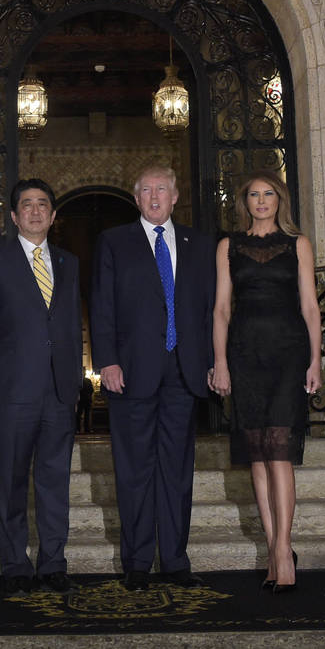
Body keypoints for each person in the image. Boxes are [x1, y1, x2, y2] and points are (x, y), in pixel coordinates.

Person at [90, 165, 216, 591]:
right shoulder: (114, 242)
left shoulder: (199, 244)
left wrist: (212, 361)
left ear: (175, 196)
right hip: (131, 373)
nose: (155, 196)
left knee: (177, 470)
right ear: (136, 197)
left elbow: (209, 309)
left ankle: (175, 560)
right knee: (134, 471)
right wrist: (106, 361)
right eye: (146, 190)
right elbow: (101, 305)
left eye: (162, 189)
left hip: (185, 371)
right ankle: (138, 562)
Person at [209, 170, 322, 593]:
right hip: (244, 354)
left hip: (288, 353)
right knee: (257, 454)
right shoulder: (228, 246)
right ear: (245, 202)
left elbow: (310, 307)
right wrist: (220, 362)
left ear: (279, 200)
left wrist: (316, 360)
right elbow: (221, 309)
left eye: (268, 194)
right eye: (254, 194)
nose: (261, 201)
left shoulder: (298, 244)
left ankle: (284, 551)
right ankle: (274, 547)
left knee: (280, 452)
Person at [0, 179, 83, 595]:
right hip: (12, 388)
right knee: (14, 481)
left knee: (55, 482)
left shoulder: (69, 262)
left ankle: (53, 564)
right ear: (14, 217)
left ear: (53, 216)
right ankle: (15, 566)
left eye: (42, 205)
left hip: (59, 390)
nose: (35, 211)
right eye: (27, 205)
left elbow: (70, 323)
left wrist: (75, 381)